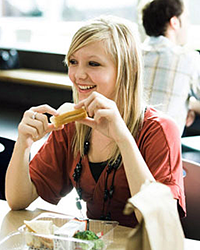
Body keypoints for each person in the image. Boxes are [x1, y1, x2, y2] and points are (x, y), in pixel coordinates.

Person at [5, 15, 185, 228]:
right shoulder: (73, 125)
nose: (78, 74)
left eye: (93, 64)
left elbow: (159, 222)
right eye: (73, 62)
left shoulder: (160, 130)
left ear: (128, 69)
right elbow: (17, 200)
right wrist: (23, 144)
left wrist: (123, 139)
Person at [141, 0, 200, 135]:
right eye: (186, 18)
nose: (188, 25)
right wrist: (189, 105)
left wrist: (184, 103)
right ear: (174, 22)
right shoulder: (188, 58)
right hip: (161, 149)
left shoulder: (131, 55)